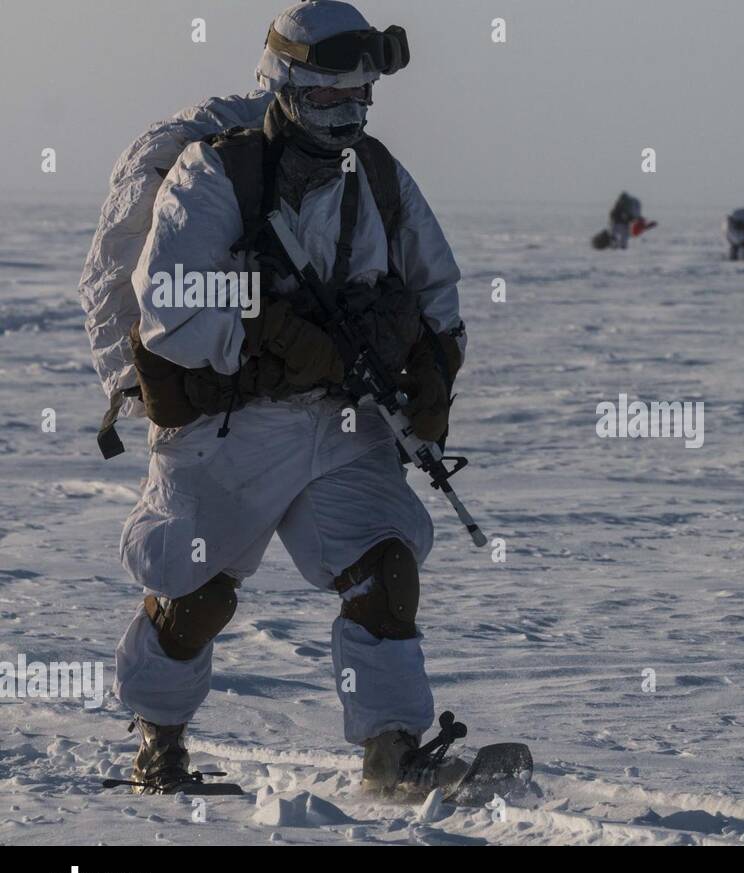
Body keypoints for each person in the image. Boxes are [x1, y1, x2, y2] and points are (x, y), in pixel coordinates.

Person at [95, 1, 468, 795]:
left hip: (341, 425)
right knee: (195, 594)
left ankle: (391, 753)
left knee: (385, 571)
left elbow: (436, 288)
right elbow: (172, 311)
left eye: (359, 99)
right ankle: (159, 744)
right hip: (230, 429)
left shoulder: (378, 176)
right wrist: (269, 332)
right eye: (331, 98)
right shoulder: (214, 174)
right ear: (288, 88)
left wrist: (433, 379)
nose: (348, 115)